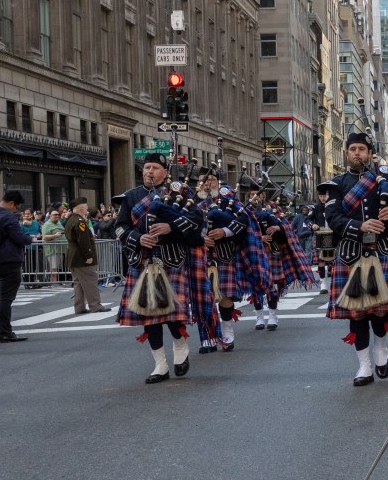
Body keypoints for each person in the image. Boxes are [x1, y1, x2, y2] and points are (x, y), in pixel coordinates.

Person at [114, 154, 214, 384]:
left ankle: (180, 344)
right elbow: (119, 228)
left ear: (165, 171)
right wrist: (138, 238)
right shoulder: (131, 197)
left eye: (154, 168)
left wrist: (171, 226)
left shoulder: (184, 194)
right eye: (146, 167)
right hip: (143, 260)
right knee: (149, 315)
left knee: (171, 313)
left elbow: (198, 221)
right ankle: (160, 364)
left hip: (172, 259)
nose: (149, 171)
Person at [323, 133, 388, 386]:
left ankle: (381, 349)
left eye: (362, 149)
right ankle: (364, 366)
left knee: (379, 309)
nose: (357, 153)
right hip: (352, 253)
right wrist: (359, 226)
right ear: (347, 153)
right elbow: (333, 218)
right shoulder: (336, 185)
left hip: (382, 250)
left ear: (370, 152)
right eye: (353, 149)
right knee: (357, 313)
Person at [195, 168, 269, 352]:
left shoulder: (228, 199)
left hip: (225, 253)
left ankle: (227, 332)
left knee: (225, 295)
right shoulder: (192, 202)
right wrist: (201, 238)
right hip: (200, 254)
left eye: (211, 179)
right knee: (203, 298)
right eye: (204, 180)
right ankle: (208, 338)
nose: (207, 183)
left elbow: (244, 220)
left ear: (218, 182)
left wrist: (224, 232)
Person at [250, 198, 311, 331]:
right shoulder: (245, 209)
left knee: (271, 284)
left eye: (258, 194)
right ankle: (259, 317)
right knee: (256, 285)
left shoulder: (273, 208)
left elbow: (287, 226)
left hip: (272, 251)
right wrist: (260, 238)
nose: (255, 198)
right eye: (252, 194)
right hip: (255, 252)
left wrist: (277, 227)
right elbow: (244, 231)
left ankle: (272, 316)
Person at [0, 190, 32, 342]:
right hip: (10, 259)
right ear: (12, 203)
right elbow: (18, 237)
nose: (16, 210)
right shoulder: (8, 217)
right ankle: (6, 331)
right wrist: (30, 239)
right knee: (6, 298)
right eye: (17, 207)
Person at [65, 198, 109, 315]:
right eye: (85, 206)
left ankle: (79, 307)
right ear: (80, 207)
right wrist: (88, 255)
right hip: (81, 257)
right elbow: (83, 241)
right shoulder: (79, 221)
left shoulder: (71, 219)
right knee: (90, 281)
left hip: (74, 256)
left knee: (79, 283)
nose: (87, 208)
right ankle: (95, 305)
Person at [40, 209, 67, 283]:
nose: (57, 216)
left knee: (57, 268)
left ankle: (56, 283)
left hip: (60, 249)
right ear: (50, 216)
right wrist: (55, 235)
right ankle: (53, 284)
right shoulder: (46, 225)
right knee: (53, 268)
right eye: (55, 215)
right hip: (52, 250)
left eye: (58, 215)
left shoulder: (59, 223)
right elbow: (44, 237)